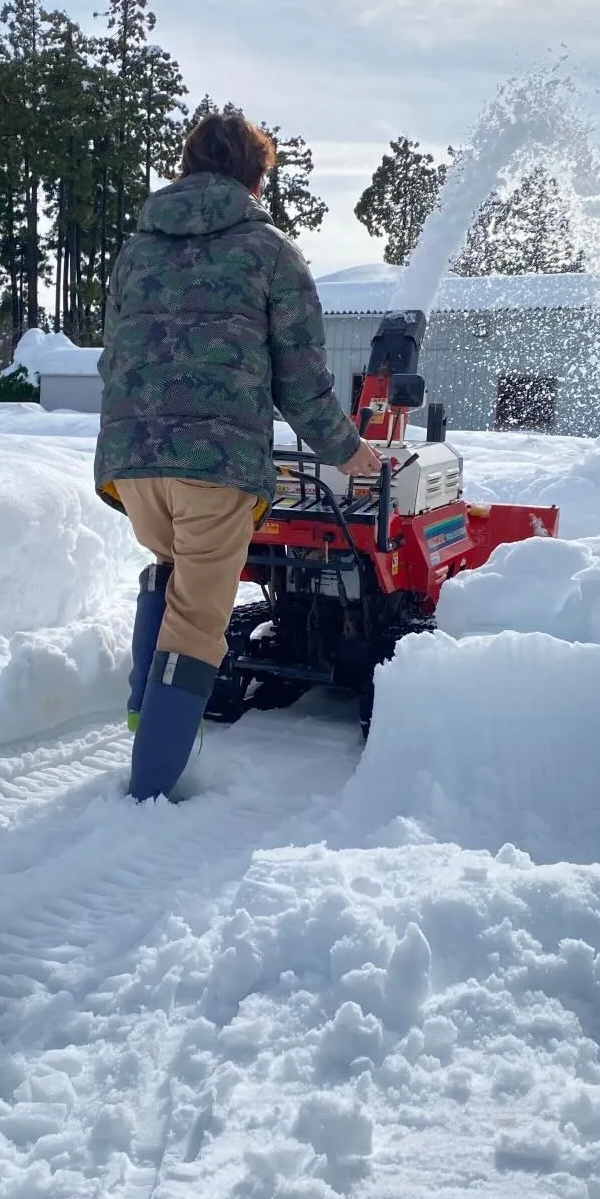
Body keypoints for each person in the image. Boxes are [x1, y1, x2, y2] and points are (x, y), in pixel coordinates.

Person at [96, 111, 384, 801]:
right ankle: (148, 789)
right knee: (198, 621)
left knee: (171, 570)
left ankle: (146, 717)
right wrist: (351, 453)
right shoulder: (270, 250)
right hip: (215, 467)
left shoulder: (136, 248)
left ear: (187, 165)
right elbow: (301, 384)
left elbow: (113, 358)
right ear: (256, 176)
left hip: (130, 466)